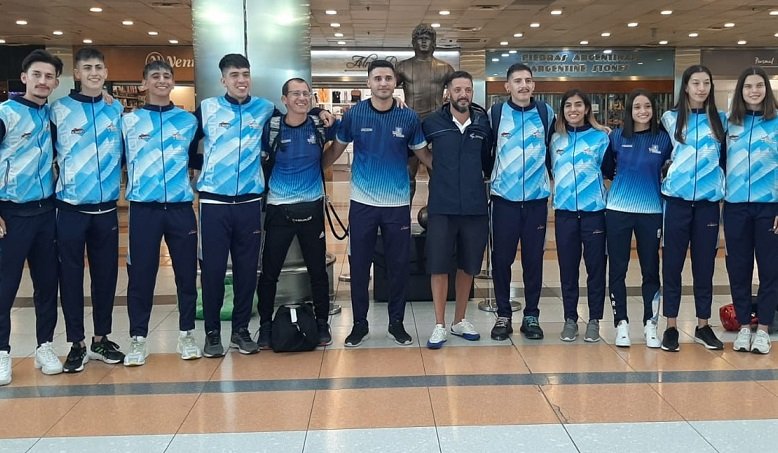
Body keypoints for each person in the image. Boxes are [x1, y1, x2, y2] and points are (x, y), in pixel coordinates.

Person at [192, 54, 332, 357]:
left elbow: (300, 112)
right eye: (234, 75)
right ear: (223, 80)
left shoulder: (265, 110)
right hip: (214, 200)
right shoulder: (207, 109)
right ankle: (212, 333)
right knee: (214, 270)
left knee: (247, 270)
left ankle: (241, 331)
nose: (241, 80)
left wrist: (320, 109)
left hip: (251, 200)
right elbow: (188, 145)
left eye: (245, 74)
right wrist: (205, 167)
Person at [322, 59, 432, 347]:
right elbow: (336, 148)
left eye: (388, 78)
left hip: (396, 204)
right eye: (377, 78)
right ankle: (359, 324)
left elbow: (423, 155)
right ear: (368, 83)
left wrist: (452, 173)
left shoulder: (408, 119)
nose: (383, 83)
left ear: (395, 83)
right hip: (362, 203)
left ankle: (397, 323)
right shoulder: (354, 115)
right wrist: (316, 168)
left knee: (398, 265)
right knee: (359, 266)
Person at [50, 47, 125, 373]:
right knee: (70, 277)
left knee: (106, 277)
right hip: (69, 208)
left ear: (105, 73)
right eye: (87, 68)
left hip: (106, 209)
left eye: (99, 68)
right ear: (77, 74)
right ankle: (76, 343)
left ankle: (100, 337)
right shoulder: (58, 111)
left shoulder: (117, 109)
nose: (94, 73)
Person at [122, 60, 202, 366]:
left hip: (181, 208)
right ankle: (138, 339)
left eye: (166, 76)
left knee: (185, 274)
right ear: (143, 84)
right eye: (154, 76)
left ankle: (186, 333)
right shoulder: (127, 122)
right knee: (141, 275)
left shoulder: (187, 122)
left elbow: (197, 156)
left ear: (172, 83)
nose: (161, 80)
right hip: (144, 209)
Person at [256, 78, 337, 349]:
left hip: (312, 207)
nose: (302, 98)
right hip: (279, 209)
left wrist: (321, 111)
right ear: (285, 100)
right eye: (296, 94)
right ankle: (265, 326)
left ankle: (322, 323)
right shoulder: (273, 127)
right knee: (269, 273)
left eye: (307, 94)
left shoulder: (319, 125)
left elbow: (340, 136)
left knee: (317, 271)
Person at [0, 49, 63, 385]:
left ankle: (44, 346)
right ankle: (1, 352)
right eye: (36, 75)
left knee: (46, 284)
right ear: (24, 77)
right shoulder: (5, 114)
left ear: (55, 82)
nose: (42, 81)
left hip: (46, 212)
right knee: (5, 286)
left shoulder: (52, 115)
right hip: (10, 213)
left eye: (49, 76)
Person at [422, 71, 492, 349]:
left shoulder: (483, 123)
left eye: (468, 90)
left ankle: (459, 320)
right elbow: (415, 147)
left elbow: (489, 160)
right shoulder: (432, 123)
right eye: (458, 89)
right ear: (447, 93)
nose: (463, 94)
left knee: (468, 266)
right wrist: (434, 165)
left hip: (475, 206)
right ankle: (439, 324)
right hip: (442, 206)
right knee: (438, 265)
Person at [660, 65, 727, 352]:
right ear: (685, 86)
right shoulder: (669, 119)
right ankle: (671, 326)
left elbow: (726, 161)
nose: (701, 88)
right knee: (672, 266)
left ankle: (702, 325)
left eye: (706, 83)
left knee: (704, 268)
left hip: (708, 206)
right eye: (695, 83)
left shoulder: (721, 121)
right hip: (676, 204)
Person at [488, 63, 555, 342]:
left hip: (536, 201)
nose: (523, 85)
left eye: (528, 80)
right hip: (504, 200)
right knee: (501, 259)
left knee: (533, 261)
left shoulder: (546, 114)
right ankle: (504, 313)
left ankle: (531, 315)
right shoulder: (496, 114)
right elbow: (486, 153)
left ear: (533, 85)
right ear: (507, 86)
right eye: (517, 81)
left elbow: (555, 148)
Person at [602, 89, 672, 348]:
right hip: (618, 210)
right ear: (629, 111)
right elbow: (608, 170)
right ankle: (621, 323)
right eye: (637, 107)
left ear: (653, 110)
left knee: (650, 270)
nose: (642, 111)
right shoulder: (618, 137)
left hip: (651, 212)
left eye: (647, 107)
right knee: (618, 268)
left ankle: (650, 324)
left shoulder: (664, 140)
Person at [549, 89, 609, 343]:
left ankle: (594, 319)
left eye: (578, 105)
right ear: (562, 110)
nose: (573, 110)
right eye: (568, 106)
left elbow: (609, 172)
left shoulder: (601, 138)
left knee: (595, 268)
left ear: (587, 109)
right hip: (564, 213)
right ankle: (570, 319)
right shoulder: (555, 140)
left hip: (594, 212)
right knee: (567, 268)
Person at [725, 66, 778, 354]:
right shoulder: (730, 123)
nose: (754, 91)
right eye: (748, 87)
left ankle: (765, 328)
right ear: (741, 92)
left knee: (770, 269)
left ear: (766, 90)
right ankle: (745, 325)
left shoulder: (777, 122)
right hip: (735, 208)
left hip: (770, 207)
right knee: (739, 267)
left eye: (759, 86)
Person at [397, 24, 454, 204]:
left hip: (436, 127)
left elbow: (459, 92)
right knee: (407, 177)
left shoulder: (445, 68)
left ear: (434, 42)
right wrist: (393, 102)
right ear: (413, 42)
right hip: (410, 127)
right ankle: (402, 219)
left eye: (427, 38)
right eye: (419, 37)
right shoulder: (403, 67)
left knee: (438, 177)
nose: (423, 41)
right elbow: (386, 89)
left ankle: (437, 218)